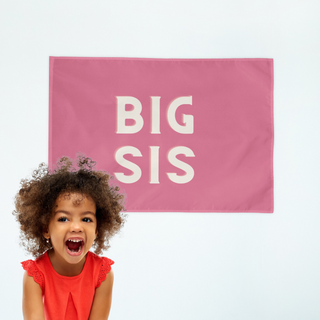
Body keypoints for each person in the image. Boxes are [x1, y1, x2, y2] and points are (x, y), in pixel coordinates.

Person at [13, 154, 126, 320]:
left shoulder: (103, 274)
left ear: (97, 230)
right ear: (45, 228)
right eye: (63, 218)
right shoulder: (35, 275)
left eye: (86, 219)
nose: (76, 227)